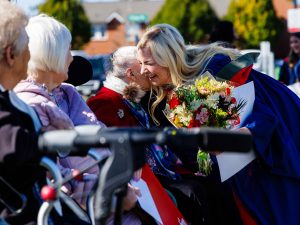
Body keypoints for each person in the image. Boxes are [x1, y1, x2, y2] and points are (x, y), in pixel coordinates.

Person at [137, 23, 300, 225]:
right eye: (140, 63)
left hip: (277, 130)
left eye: (148, 63)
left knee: (277, 203)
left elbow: (262, 120)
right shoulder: (175, 86)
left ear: (167, 58)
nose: (142, 70)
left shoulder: (214, 72)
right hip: (248, 148)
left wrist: (223, 142)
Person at [13, 14, 141, 224]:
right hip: (84, 207)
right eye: (68, 50)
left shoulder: (68, 93)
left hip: (113, 193)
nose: (72, 58)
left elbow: (100, 134)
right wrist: (110, 190)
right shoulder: (28, 104)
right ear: (50, 53)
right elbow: (51, 176)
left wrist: (125, 161)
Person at [87, 46, 222, 225]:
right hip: (141, 180)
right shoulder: (103, 102)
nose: (147, 72)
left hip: (165, 170)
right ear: (131, 73)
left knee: (212, 180)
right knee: (194, 191)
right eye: (141, 65)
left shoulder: (141, 96)